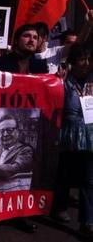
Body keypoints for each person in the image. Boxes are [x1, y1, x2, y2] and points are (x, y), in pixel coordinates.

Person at [51, 43, 93, 234]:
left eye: (88, 60)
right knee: (65, 175)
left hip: (90, 137)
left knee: (88, 179)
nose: (86, 64)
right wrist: (58, 81)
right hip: (69, 135)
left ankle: (87, 221)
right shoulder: (65, 81)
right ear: (72, 63)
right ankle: (58, 207)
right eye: (82, 60)